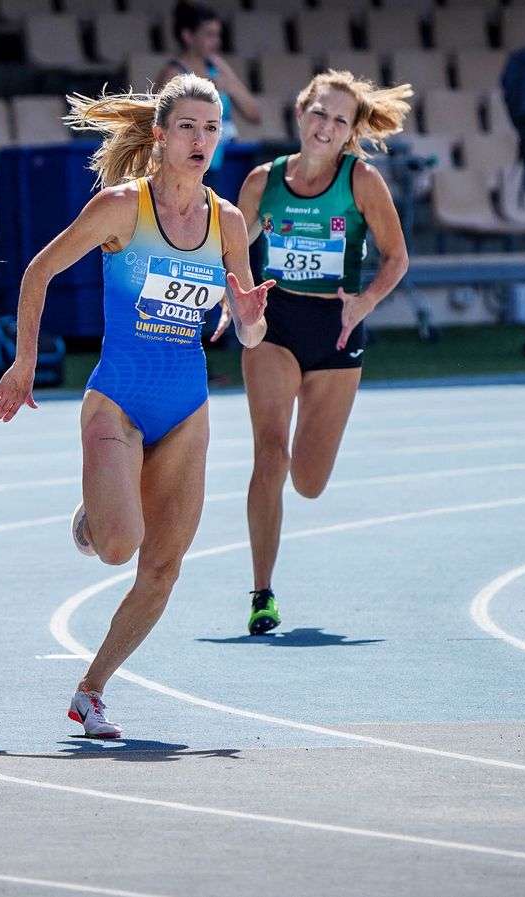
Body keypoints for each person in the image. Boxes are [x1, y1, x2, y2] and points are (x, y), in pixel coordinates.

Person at [0, 74, 271, 739]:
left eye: (212, 128)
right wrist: (25, 361)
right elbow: (38, 273)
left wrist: (250, 318)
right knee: (118, 545)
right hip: (118, 401)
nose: (202, 140)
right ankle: (95, 513)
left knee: (162, 569)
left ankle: (91, 690)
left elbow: (248, 329)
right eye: (189, 128)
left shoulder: (227, 222)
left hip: (185, 407)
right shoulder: (121, 209)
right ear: (162, 136)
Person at [210, 70, 411, 635]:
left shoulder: (362, 180)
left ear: (350, 134)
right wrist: (233, 297)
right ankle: (262, 593)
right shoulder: (261, 182)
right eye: (319, 113)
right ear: (301, 115)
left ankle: (300, 469)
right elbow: (228, 247)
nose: (326, 126)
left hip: (337, 329)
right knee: (269, 455)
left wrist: (365, 302)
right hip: (275, 323)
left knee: (309, 481)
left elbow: (396, 258)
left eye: (339, 120)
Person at [154, 1, 261, 175]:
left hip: (221, 164)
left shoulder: (217, 65)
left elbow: (254, 114)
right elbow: (155, 127)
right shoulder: (172, 73)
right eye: (209, 35)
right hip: (184, 169)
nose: (217, 42)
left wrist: (231, 87)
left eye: (218, 35)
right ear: (188, 36)